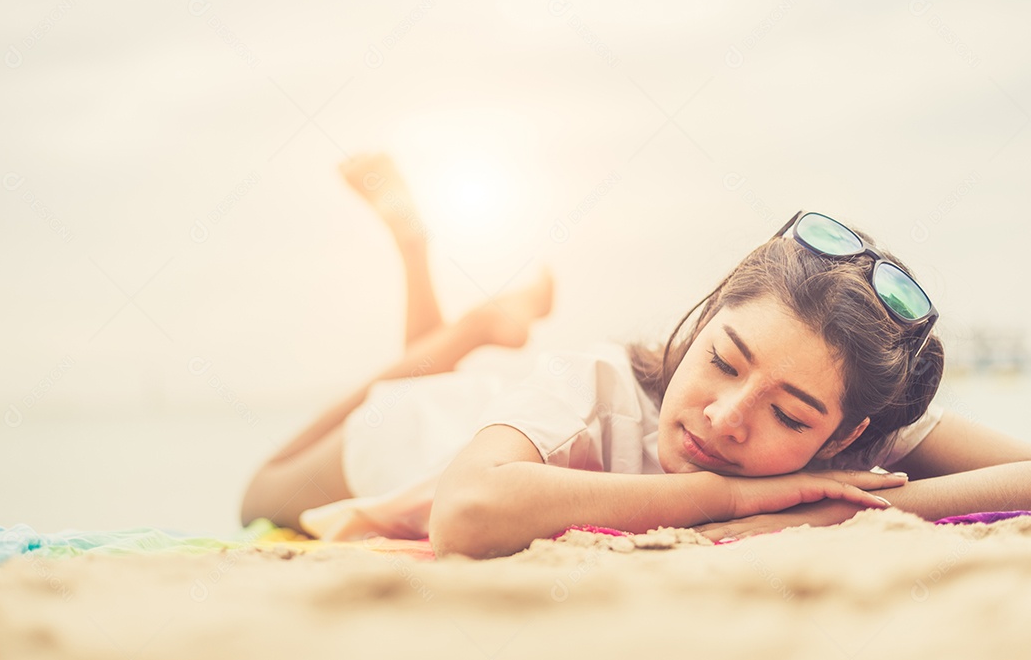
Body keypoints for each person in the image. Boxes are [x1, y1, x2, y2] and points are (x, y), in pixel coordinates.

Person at [240, 154, 1031, 559]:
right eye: (723, 360)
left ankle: (461, 308)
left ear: (840, 433)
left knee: (449, 373)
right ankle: (464, 314)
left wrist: (840, 512)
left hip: (498, 411)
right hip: (416, 437)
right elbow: (465, 513)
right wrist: (736, 498)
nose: (726, 417)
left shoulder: (853, 426)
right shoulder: (594, 383)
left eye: (787, 413)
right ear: (705, 319)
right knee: (258, 498)